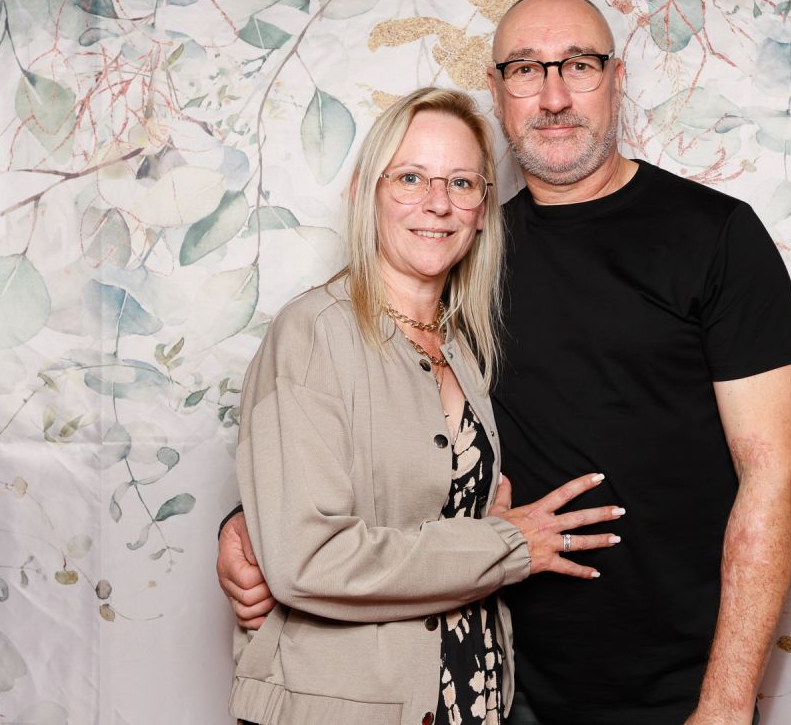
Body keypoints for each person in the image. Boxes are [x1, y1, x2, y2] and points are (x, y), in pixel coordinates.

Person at [220, 0, 791, 725]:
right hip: (498, 682)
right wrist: (252, 520)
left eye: (579, 66)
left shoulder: (716, 236)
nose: (554, 97)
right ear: (497, 92)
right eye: (527, 69)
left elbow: (778, 476)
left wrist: (724, 703)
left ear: (617, 79)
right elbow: (372, 414)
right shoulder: (464, 256)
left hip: (677, 685)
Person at [226, 86, 624, 725]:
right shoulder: (314, 333)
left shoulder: (463, 344)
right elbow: (308, 560)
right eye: (411, 177)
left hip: (470, 695)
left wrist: (485, 523)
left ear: (482, 210)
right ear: (365, 192)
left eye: (462, 183)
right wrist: (504, 544)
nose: (438, 203)